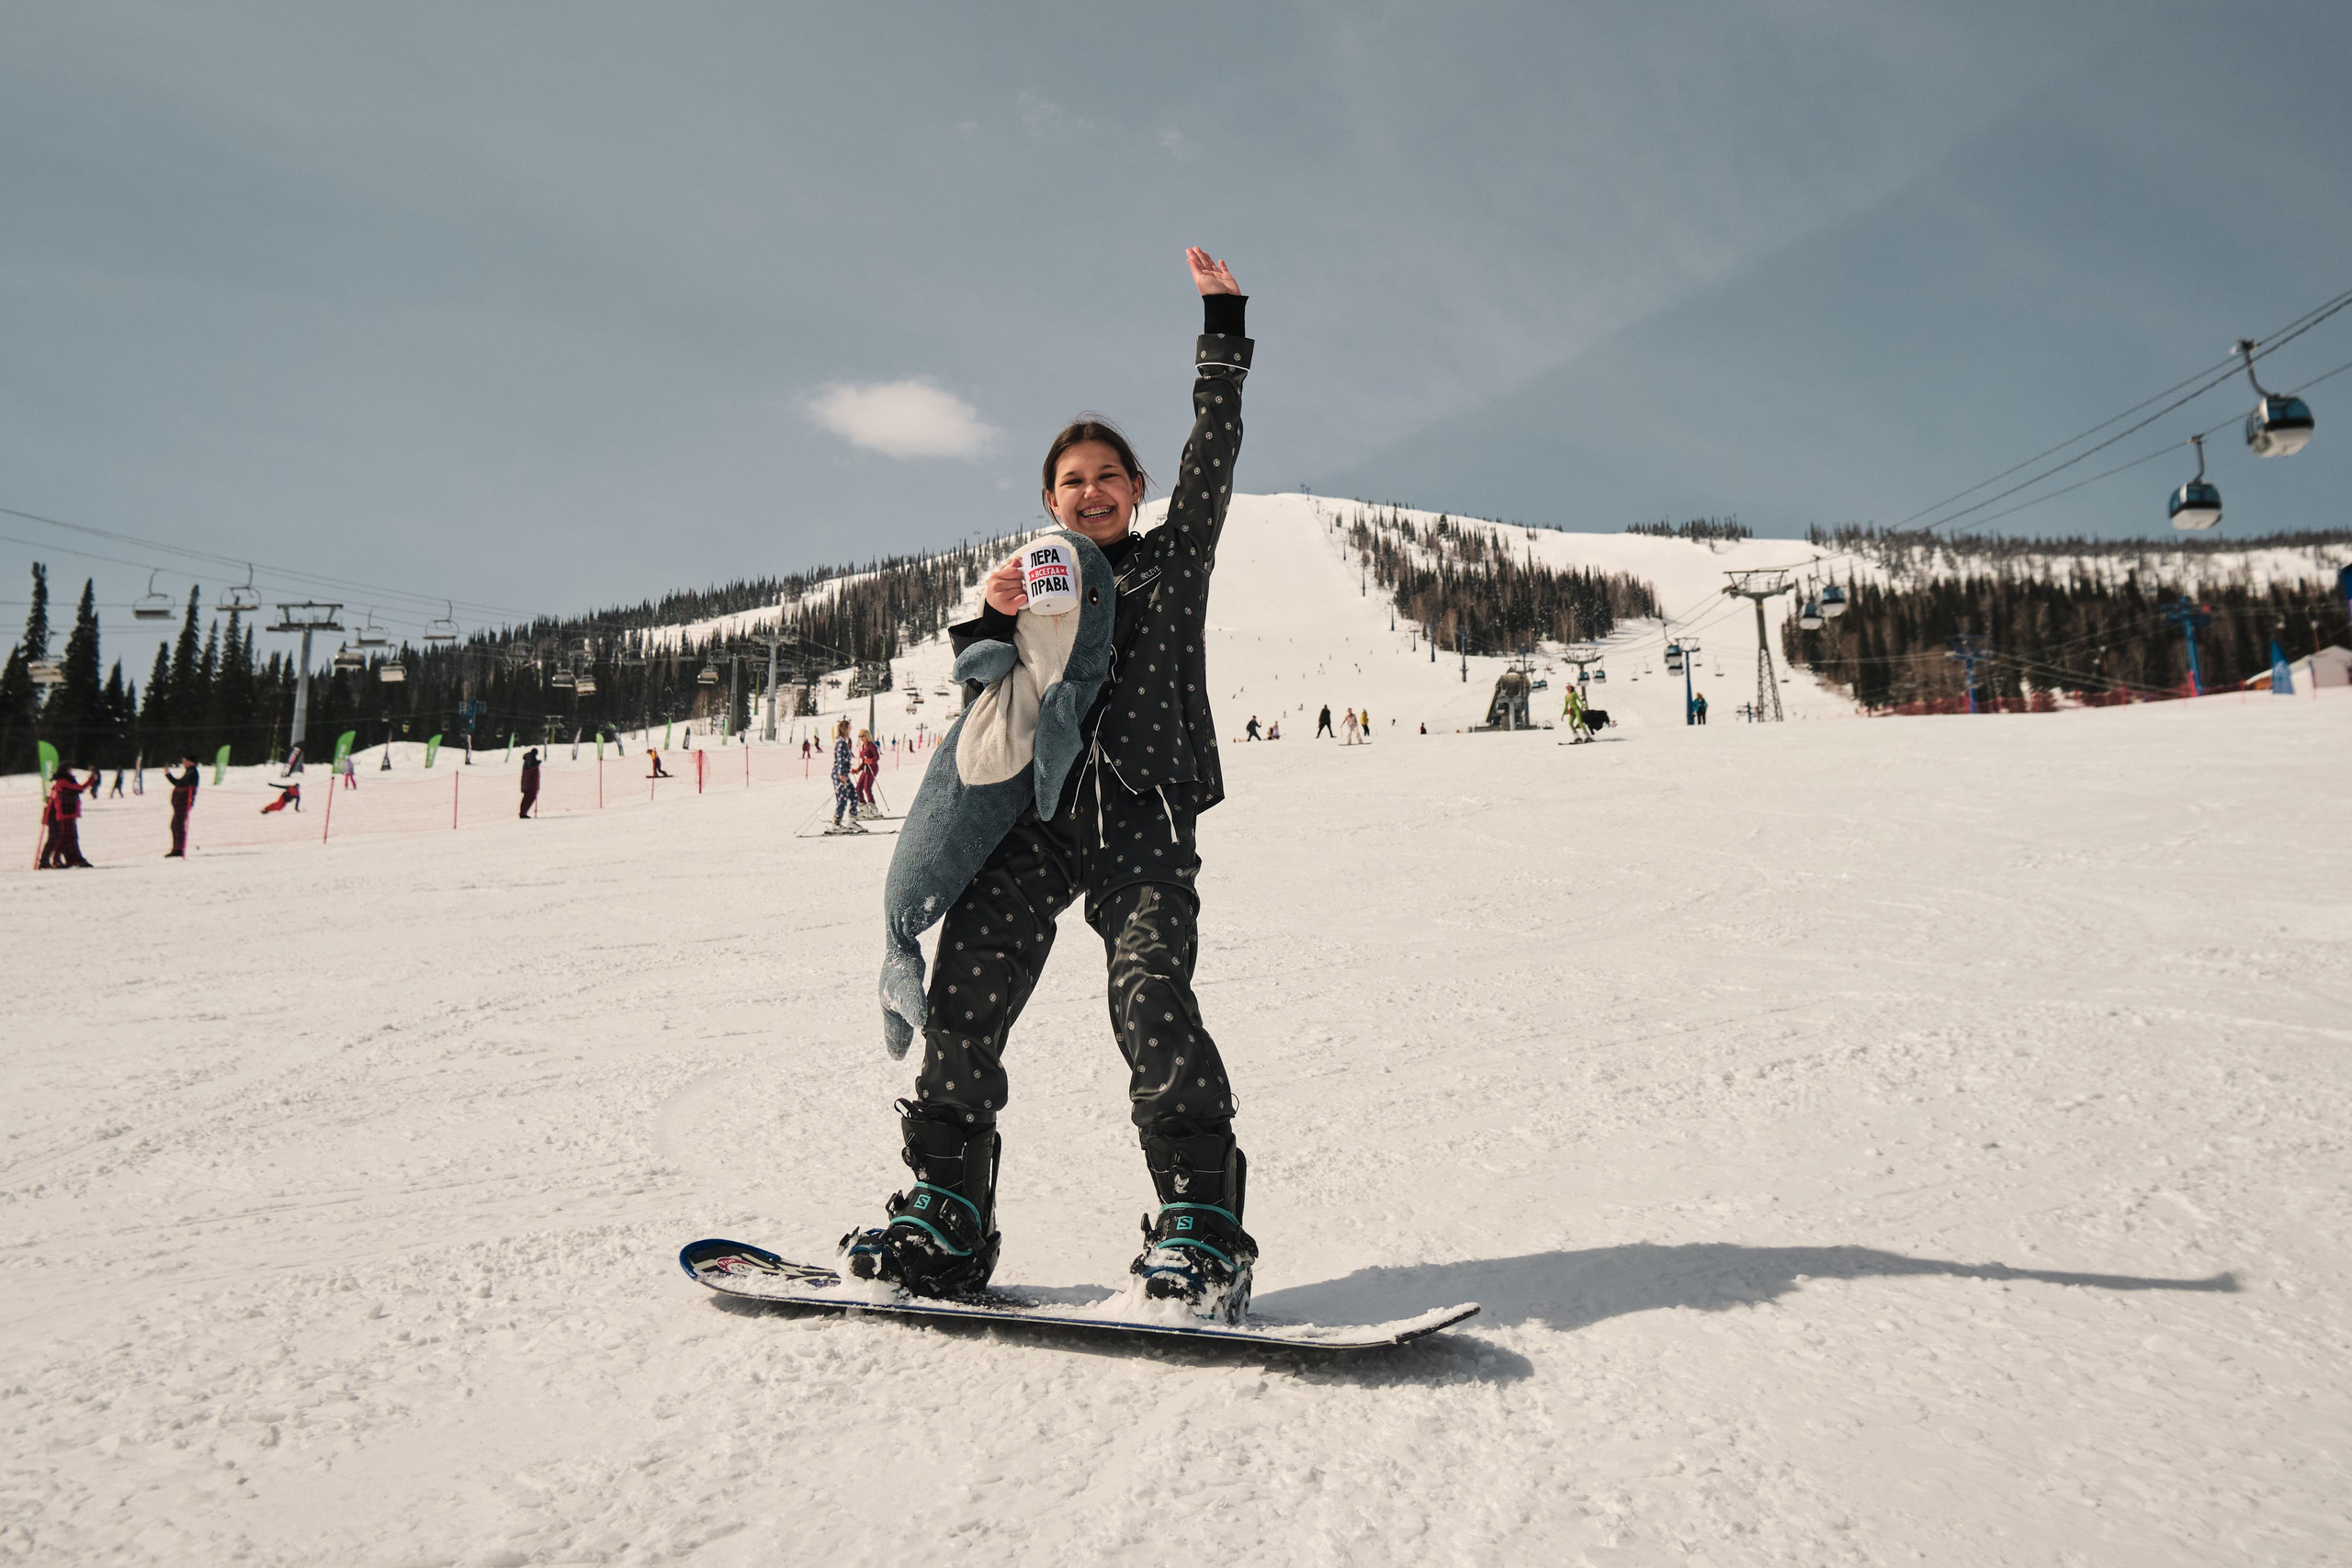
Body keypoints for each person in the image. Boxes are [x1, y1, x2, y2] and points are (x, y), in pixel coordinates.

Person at [841, 247, 1258, 1320]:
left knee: (1149, 997)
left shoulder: (1172, 564)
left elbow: (1212, 456)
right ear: (1049, 501)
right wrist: (986, 618)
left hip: (1145, 820)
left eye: (1108, 476)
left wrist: (1221, 333)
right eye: (1071, 481)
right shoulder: (1032, 598)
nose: (1092, 491)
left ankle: (1201, 1228)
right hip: (1038, 820)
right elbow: (990, 709)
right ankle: (946, 1210)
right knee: (968, 991)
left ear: (1136, 490)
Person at [39, 766, 97, 868]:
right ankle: (68, 859)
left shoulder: (64, 781)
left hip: (67, 813)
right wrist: (90, 781)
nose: (71, 772)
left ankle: (65, 859)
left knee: (64, 837)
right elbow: (77, 789)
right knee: (65, 837)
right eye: (69, 770)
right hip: (64, 813)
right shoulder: (62, 782)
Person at [827, 717, 864, 832]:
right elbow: (840, 759)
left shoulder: (843, 742)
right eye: (849, 727)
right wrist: (842, 773)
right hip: (840, 775)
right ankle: (836, 823)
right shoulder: (841, 743)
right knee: (842, 798)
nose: (851, 729)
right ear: (845, 729)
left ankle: (852, 821)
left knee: (854, 795)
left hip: (843, 774)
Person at [164, 755, 198, 857]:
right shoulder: (189, 772)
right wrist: (168, 775)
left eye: (185, 761)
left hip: (183, 804)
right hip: (179, 804)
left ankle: (179, 849)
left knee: (177, 825)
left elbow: (183, 786)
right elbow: (178, 783)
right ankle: (176, 848)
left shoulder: (192, 773)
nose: (183, 763)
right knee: (175, 825)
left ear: (191, 762)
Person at [854, 728, 881, 814]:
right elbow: (864, 762)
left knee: (867, 788)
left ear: (867, 736)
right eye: (860, 736)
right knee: (858, 788)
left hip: (872, 768)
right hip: (866, 769)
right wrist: (857, 770)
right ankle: (863, 807)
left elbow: (877, 757)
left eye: (863, 736)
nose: (861, 738)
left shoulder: (871, 745)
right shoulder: (863, 746)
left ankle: (873, 808)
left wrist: (871, 760)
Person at [519, 749, 541, 818]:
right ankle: (523, 812)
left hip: (529, 782)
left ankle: (523, 812)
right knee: (529, 797)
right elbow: (531, 767)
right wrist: (537, 763)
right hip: (530, 783)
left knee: (528, 797)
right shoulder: (530, 758)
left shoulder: (529, 757)